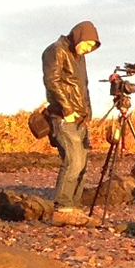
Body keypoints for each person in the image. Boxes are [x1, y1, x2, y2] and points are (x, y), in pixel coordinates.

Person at [42, 21, 101, 222]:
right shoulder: (55, 50)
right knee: (73, 162)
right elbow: (51, 82)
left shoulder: (79, 56)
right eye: (88, 44)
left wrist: (88, 112)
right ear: (79, 36)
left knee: (82, 165)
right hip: (64, 116)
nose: (88, 49)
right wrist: (67, 110)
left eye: (92, 46)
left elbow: (84, 86)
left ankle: (73, 208)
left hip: (80, 118)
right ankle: (62, 209)